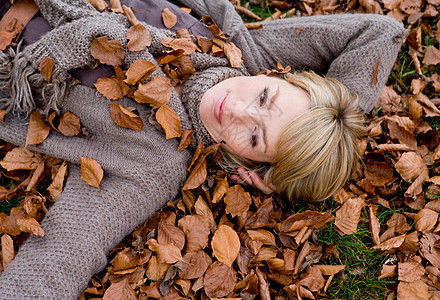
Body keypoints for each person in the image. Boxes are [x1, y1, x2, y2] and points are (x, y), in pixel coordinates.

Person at [0, 0, 404, 298]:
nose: (238, 111)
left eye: (255, 137)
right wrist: (334, 117)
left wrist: (290, 164)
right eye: (265, 98)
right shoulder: (244, 53)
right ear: (279, 75)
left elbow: (66, 254)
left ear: (252, 166)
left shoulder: (157, 162)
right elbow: (378, 32)